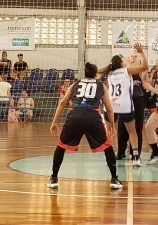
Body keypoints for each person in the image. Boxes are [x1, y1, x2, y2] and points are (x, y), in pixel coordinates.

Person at [47, 62, 122, 190]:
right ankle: (114, 179)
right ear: (96, 74)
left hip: (75, 114)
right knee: (107, 146)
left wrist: (54, 122)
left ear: (85, 73)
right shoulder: (101, 85)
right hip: (93, 116)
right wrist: (113, 127)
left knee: (61, 146)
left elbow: (62, 103)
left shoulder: (75, 84)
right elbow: (109, 109)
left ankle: (54, 178)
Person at [99, 43, 149, 167]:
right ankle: (136, 157)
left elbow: (107, 90)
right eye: (123, 59)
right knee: (132, 132)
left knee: (109, 132)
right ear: (121, 64)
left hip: (110, 105)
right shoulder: (127, 70)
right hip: (124, 104)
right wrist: (141, 52)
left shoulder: (110, 74)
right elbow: (145, 66)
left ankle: (109, 156)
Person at [115, 53, 146, 160]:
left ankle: (135, 153)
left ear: (139, 62)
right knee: (122, 127)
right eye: (131, 56)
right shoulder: (123, 72)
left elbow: (147, 86)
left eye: (135, 56)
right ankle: (121, 152)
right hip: (124, 100)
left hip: (137, 100)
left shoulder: (142, 72)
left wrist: (143, 76)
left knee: (137, 127)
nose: (133, 57)